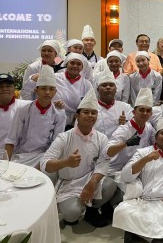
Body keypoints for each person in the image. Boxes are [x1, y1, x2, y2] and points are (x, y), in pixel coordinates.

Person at [40, 88, 117, 227]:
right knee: (71, 215)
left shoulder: (101, 138)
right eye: (86, 112)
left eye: (93, 112)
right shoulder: (64, 137)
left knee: (110, 185)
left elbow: (104, 163)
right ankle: (80, 205)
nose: (90, 115)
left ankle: (91, 210)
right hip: (69, 182)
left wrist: (92, 182)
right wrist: (66, 162)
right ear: (77, 116)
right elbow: (45, 164)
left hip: (90, 179)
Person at [112, 113, 163, 242]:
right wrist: (145, 159)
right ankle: (153, 239)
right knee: (122, 211)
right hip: (142, 201)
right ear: (156, 137)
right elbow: (126, 176)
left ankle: (143, 236)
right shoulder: (143, 152)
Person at [5, 65, 66, 167]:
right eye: (43, 88)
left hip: (44, 157)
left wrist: (41, 165)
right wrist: (5, 164)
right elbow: (11, 139)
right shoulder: (23, 110)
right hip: (22, 156)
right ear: (36, 91)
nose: (47, 92)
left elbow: (56, 144)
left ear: (55, 92)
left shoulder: (59, 113)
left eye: (51, 89)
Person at [105, 88, 156, 191]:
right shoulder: (123, 129)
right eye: (141, 110)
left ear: (151, 114)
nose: (145, 113)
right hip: (116, 171)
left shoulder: (149, 127)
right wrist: (126, 143)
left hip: (136, 169)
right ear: (133, 112)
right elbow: (108, 151)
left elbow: (157, 143)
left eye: (148, 111)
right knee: (135, 192)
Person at [94, 69, 133, 139]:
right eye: (104, 85)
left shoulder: (126, 107)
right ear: (98, 90)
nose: (108, 87)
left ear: (116, 89)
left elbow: (135, 128)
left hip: (118, 147)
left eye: (111, 85)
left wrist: (126, 123)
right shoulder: (90, 108)